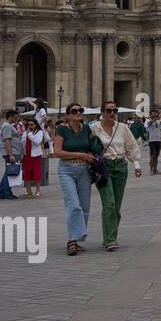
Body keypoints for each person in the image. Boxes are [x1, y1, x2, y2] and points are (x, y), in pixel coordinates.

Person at [90, 101, 142, 251]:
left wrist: (136, 165)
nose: (112, 113)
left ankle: (110, 235)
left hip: (120, 167)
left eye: (115, 110)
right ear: (102, 112)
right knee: (109, 204)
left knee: (116, 206)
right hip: (104, 168)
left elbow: (131, 146)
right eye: (109, 110)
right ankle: (110, 239)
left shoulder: (123, 128)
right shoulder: (94, 129)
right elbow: (89, 147)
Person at [54, 103, 96, 255]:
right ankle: (72, 240)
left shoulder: (86, 129)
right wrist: (80, 155)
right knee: (73, 203)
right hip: (67, 170)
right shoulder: (62, 130)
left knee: (84, 207)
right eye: (74, 111)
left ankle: (77, 239)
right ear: (67, 115)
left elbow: (91, 147)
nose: (78, 113)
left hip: (84, 170)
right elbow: (57, 152)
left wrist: (90, 155)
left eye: (80, 110)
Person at [0, 109, 21, 200]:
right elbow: (7, 140)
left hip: (13, 151)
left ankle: (2, 192)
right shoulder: (7, 127)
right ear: (11, 117)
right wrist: (11, 155)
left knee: (7, 172)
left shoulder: (8, 126)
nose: (17, 119)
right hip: (11, 152)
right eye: (16, 117)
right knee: (10, 173)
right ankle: (7, 193)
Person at [22, 117, 46, 198]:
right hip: (27, 155)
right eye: (28, 125)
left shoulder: (39, 132)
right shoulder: (26, 132)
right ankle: (28, 191)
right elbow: (22, 143)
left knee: (36, 173)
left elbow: (37, 142)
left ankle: (38, 190)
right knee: (26, 174)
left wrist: (29, 134)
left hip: (36, 156)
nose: (30, 126)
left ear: (36, 125)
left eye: (32, 124)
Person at [146, 109, 161, 175]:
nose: (154, 114)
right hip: (152, 140)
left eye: (155, 113)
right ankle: (151, 169)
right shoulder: (148, 120)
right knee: (153, 155)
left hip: (158, 140)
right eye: (153, 113)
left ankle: (155, 169)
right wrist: (155, 117)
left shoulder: (158, 121)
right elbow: (150, 123)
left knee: (157, 156)